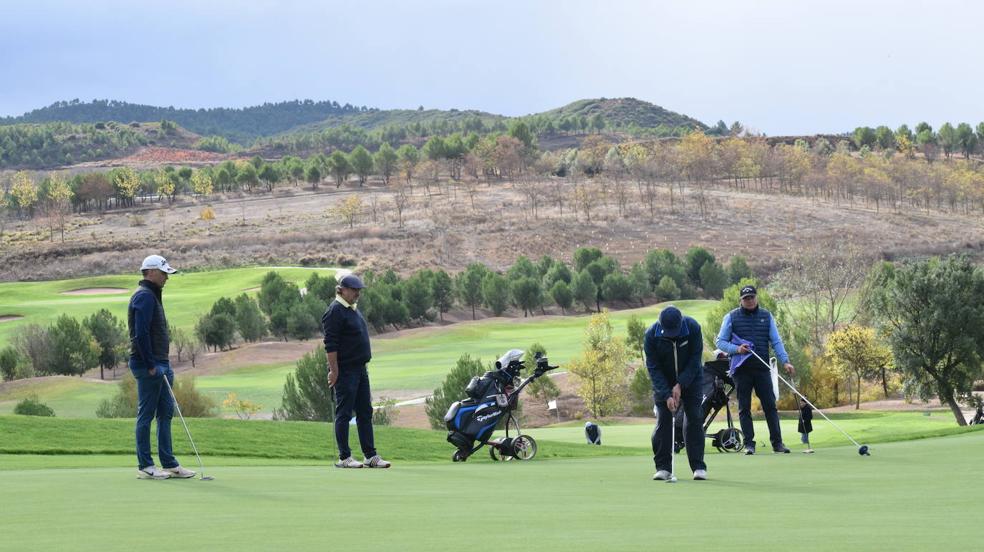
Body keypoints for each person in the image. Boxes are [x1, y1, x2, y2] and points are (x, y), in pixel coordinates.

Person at [128, 255, 195, 479]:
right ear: (151, 272)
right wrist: (150, 365)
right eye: (164, 273)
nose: (167, 277)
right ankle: (145, 466)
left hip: (161, 364)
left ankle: (169, 463)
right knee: (146, 414)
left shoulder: (153, 295)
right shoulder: (144, 297)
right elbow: (141, 334)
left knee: (166, 413)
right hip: (149, 365)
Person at [716, 285, 795, 455]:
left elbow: (776, 341)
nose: (749, 300)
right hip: (741, 370)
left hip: (762, 368)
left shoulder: (766, 316)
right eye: (746, 298)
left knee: (770, 406)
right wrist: (737, 349)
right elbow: (720, 342)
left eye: (752, 297)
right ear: (741, 301)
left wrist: (785, 361)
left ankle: (777, 443)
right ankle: (749, 444)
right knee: (744, 408)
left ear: (756, 298)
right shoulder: (731, 317)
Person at [322, 274, 391, 469]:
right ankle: (345, 457)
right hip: (344, 371)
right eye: (354, 290)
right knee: (344, 413)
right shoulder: (335, 311)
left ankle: (370, 456)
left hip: (360, 369)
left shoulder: (352, 310)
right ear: (341, 290)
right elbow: (331, 345)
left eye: (359, 290)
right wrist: (333, 371)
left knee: (365, 412)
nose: (357, 293)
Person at [644, 305, 707, 481]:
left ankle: (698, 466)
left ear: (681, 322)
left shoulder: (693, 328)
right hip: (664, 381)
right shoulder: (651, 335)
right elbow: (653, 368)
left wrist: (680, 384)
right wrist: (666, 394)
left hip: (692, 379)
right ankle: (663, 467)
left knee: (694, 417)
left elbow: (695, 360)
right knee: (664, 419)